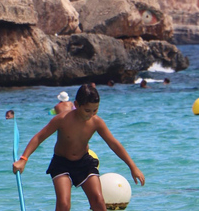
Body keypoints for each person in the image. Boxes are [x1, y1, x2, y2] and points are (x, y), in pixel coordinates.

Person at [13, 84, 145, 211]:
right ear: (76, 105)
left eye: (95, 110)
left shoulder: (96, 122)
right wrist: (23, 159)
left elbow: (114, 144)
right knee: (64, 205)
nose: (91, 114)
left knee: (98, 201)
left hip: (84, 163)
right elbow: (39, 137)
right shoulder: (62, 119)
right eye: (87, 110)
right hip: (61, 164)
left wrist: (132, 167)